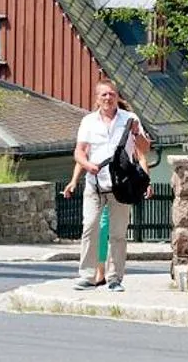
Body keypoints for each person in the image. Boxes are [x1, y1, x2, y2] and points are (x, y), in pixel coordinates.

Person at [64, 81, 151, 292]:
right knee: (90, 227)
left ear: (117, 97)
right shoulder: (88, 122)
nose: (108, 98)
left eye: (111, 94)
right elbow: (79, 151)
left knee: (118, 234)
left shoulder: (129, 120)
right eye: (103, 95)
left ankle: (115, 278)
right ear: (97, 98)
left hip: (121, 186)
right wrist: (87, 166)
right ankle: (87, 275)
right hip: (95, 183)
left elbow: (144, 149)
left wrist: (137, 133)